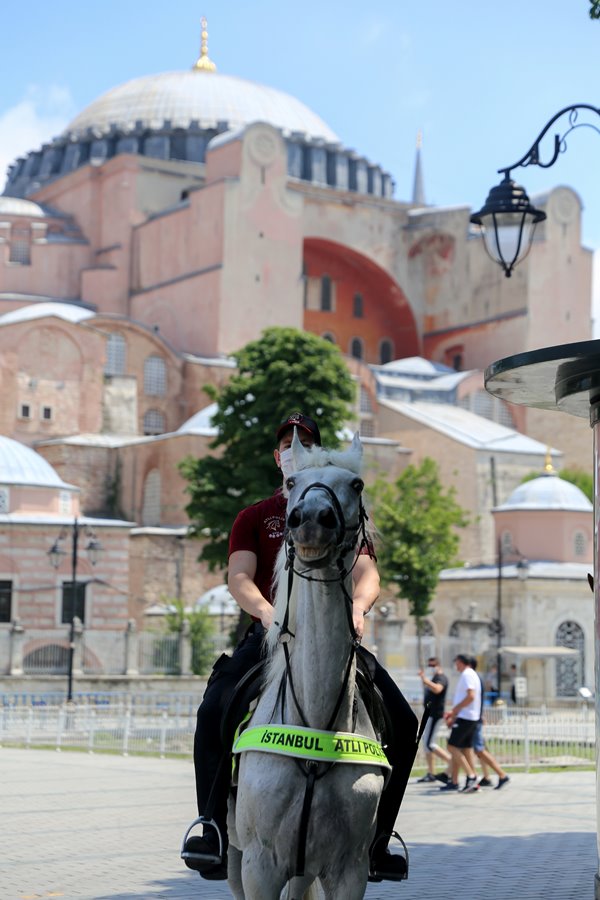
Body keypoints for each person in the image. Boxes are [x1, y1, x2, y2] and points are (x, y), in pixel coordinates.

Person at [182, 412, 418, 882]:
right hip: (269, 637)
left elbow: (367, 571)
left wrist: (358, 608)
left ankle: (379, 839)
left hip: (333, 635)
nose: (293, 448)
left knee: (405, 720)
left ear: (314, 453)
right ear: (278, 457)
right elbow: (240, 576)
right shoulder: (254, 516)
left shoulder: (336, 504)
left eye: (303, 442)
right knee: (213, 712)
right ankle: (211, 827)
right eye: (286, 442)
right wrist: (268, 614)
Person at [438, 653, 481, 793]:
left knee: (452, 747)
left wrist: (455, 711)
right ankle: (456, 781)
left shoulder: (467, 675)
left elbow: (471, 696)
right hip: (470, 717)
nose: (455, 665)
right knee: (465, 749)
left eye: (456, 662)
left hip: (466, 717)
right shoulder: (472, 674)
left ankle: (472, 776)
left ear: (461, 662)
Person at [470, 657, 510, 790]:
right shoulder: (475, 678)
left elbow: (474, 699)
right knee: (477, 749)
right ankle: (485, 777)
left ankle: (499, 775)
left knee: (475, 749)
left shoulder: (473, 679)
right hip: (474, 718)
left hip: (473, 719)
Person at [416, 656, 450, 783]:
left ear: (438, 665)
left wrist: (425, 680)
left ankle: (452, 762)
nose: (430, 668)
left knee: (430, 744)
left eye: (432, 665)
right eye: (429, 665)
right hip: (430, 714)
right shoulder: (434, 678)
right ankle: (431, 773)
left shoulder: (441, 678)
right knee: (426, 745)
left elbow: (437, 689)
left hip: (436, 715)